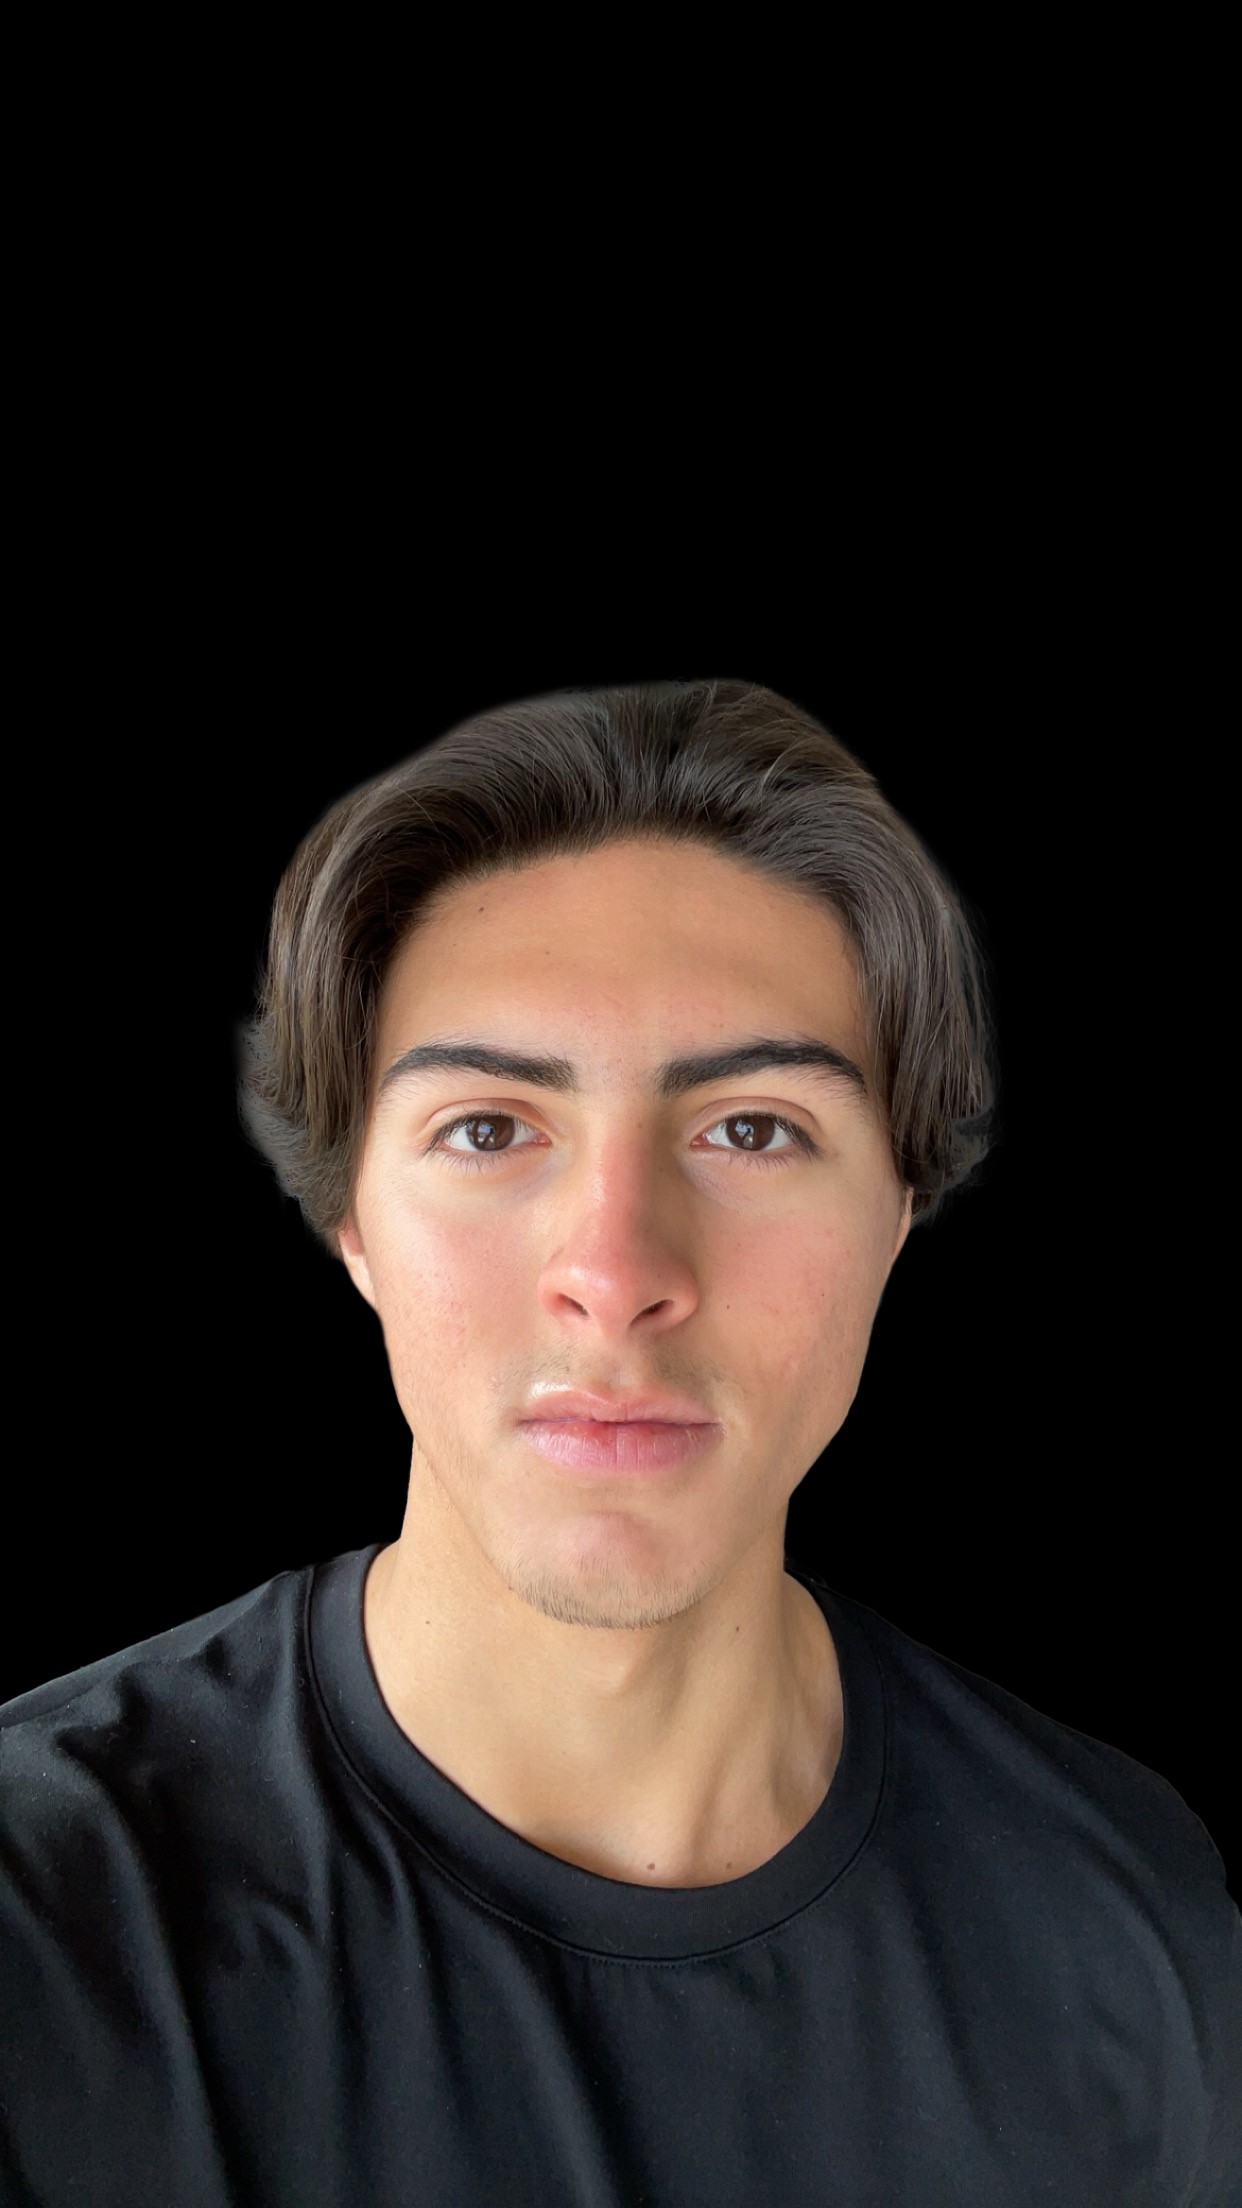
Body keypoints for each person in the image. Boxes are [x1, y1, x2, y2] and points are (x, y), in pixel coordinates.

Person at [1, 678, 1237, 2206]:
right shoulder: (41, 1919)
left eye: (751, 1129)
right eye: (488, 1129)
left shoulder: (1127, 1919)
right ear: (350, 1220)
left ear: (896, 1211)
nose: (615, 1268)